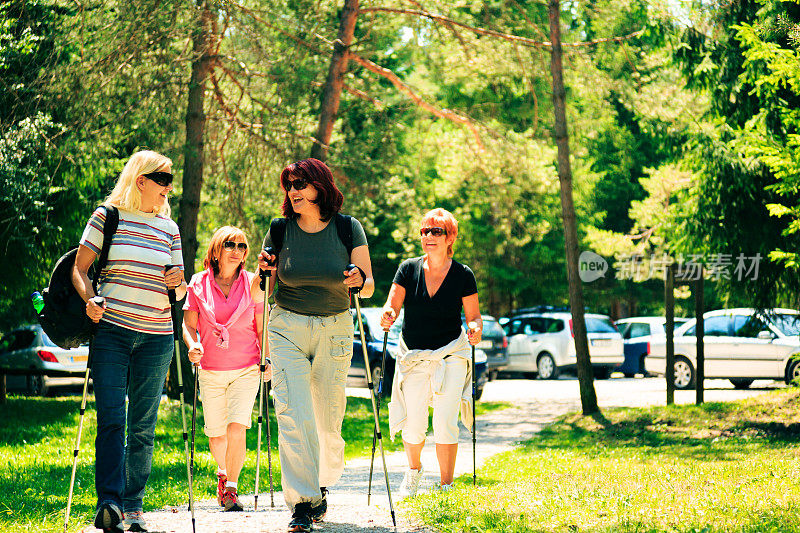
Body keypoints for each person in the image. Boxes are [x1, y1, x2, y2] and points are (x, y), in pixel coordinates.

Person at [257, 158, 373, 533]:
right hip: (287, 326)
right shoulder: (279, 229)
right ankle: (303, 502)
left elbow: (368, 286)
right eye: (289, 186)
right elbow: (264, 287)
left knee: (326, 420)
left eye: (301, 185)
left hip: (334, 327)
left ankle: (321, 482)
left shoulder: (346, 228)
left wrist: (359, 279)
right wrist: (263, 271)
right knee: (292, 412)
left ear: (320, 188)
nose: (293, 193)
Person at [72, 150, 186, 532]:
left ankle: (133, 504)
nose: (169, 187)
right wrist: (90, 299)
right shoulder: (107, 216)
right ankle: (110, 503)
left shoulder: (169, 228)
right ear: (142, 180)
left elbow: (180, 287)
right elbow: (80, 269)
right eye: (164, 180)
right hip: (112, 333)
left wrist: (179, 283)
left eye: (171, 180)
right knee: (111, 420)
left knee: (142, 426)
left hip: (157, 338)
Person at [381, 207, 482, 498]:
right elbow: (393, 304)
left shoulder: (463, 274)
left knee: (445, 420)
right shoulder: (408, 268)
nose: (428, 236)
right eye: (424, 231)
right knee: (413, 422)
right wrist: (388, 314)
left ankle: (446, 486)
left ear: (450, 237)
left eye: (435, 231)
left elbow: (474, 316)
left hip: (450, 353)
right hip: (414, 355)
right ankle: (413, 473)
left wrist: (475, 328)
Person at [182, 226, 271, 512]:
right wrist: (192, 344)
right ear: (216, 250)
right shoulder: (198, 283)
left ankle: (232, 487)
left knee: (237, 426)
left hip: (247, 367)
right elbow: (189, 325)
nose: (237, 250)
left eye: (242, 246)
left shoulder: (252, 283)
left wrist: (267, 359)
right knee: (216, 433)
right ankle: (223, 472)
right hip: (210, 368)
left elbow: (262, 325)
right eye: (230, 244)